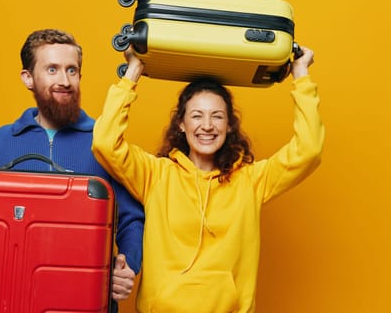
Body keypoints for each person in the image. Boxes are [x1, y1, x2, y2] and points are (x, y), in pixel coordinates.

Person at [91, 46, 325, 312]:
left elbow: (309, 151)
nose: (207, 126)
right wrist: (132, 71)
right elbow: (105, 142)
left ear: (229, 126)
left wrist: (301, 75)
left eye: (217, 117)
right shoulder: (156, 174)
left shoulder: (251, 180)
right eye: (196, 116)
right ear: (181, 124)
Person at [0, 29, 145, 304]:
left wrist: (127, 265)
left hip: (79, 299)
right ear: (28, 78)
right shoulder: (1, 141)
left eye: (72, 70)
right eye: (52, 69)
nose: (64, 81)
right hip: (8, 298)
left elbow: (131, 220)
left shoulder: (104, 142)